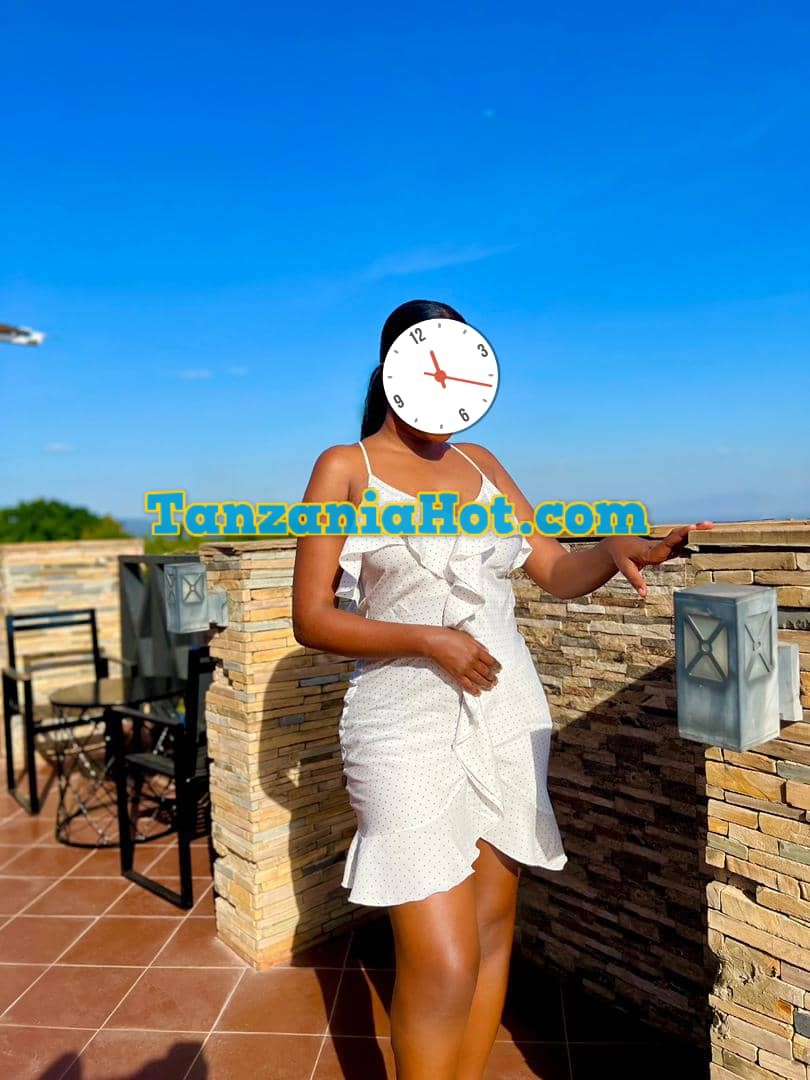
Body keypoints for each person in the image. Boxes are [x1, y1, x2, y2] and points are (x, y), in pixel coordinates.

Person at [292, 298, 713, 1080]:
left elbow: (554, 569)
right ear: (396, 371)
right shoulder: (344, 467)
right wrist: (429, 639)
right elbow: (312, 618)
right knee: (444, 960)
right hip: (401, 724)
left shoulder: (483, 463)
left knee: (491, 932)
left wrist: (617, 547)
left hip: (506, 711)